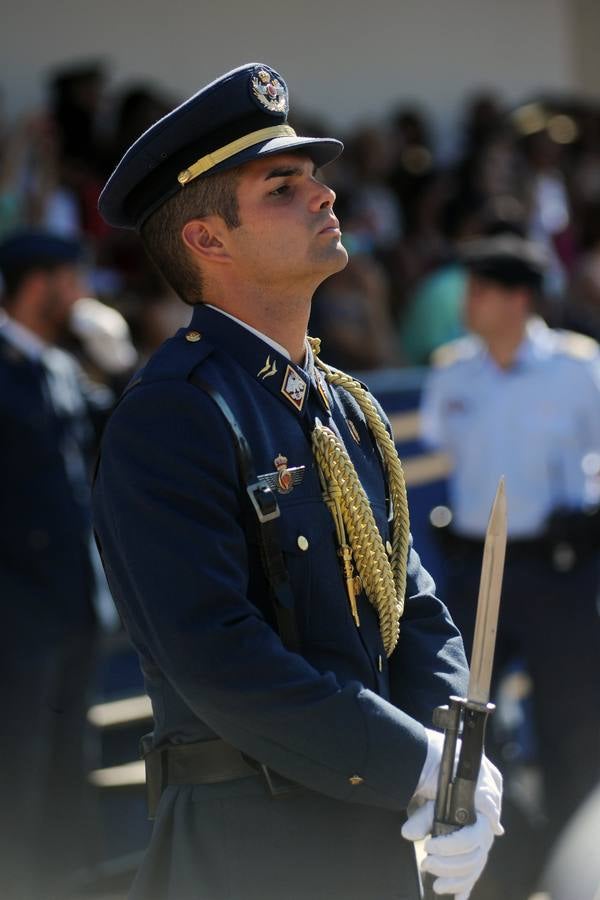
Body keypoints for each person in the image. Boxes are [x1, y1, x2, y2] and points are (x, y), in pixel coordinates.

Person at [92, 62, 503, 900]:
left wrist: (455, 762)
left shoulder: (339, 405)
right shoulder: (176, 412)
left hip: (368, 832)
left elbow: (409, 605)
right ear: (207, 241)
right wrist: (411, 762)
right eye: (283, 186)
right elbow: (219, 656)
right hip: (254, 849)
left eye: (316, 179)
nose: (324, 196)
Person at [420, 226, 600, 897]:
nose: (467, 302)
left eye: (482, 289)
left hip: (558, 568)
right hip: (477, 575)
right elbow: (447, 455)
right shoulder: (452, 369)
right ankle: (501, 864)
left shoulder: (579, 367)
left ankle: (576, 868)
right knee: (474, 725)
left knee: (573, 724)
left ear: (518, 298)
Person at [0, 230, 117, 899]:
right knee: (16, 770)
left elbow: (127, 432)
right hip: (15, 611)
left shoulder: (62, 369)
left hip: (71, 603)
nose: (84, 294)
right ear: (41, 284)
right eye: (74, 278)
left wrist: (123, 361)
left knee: (69, 763)